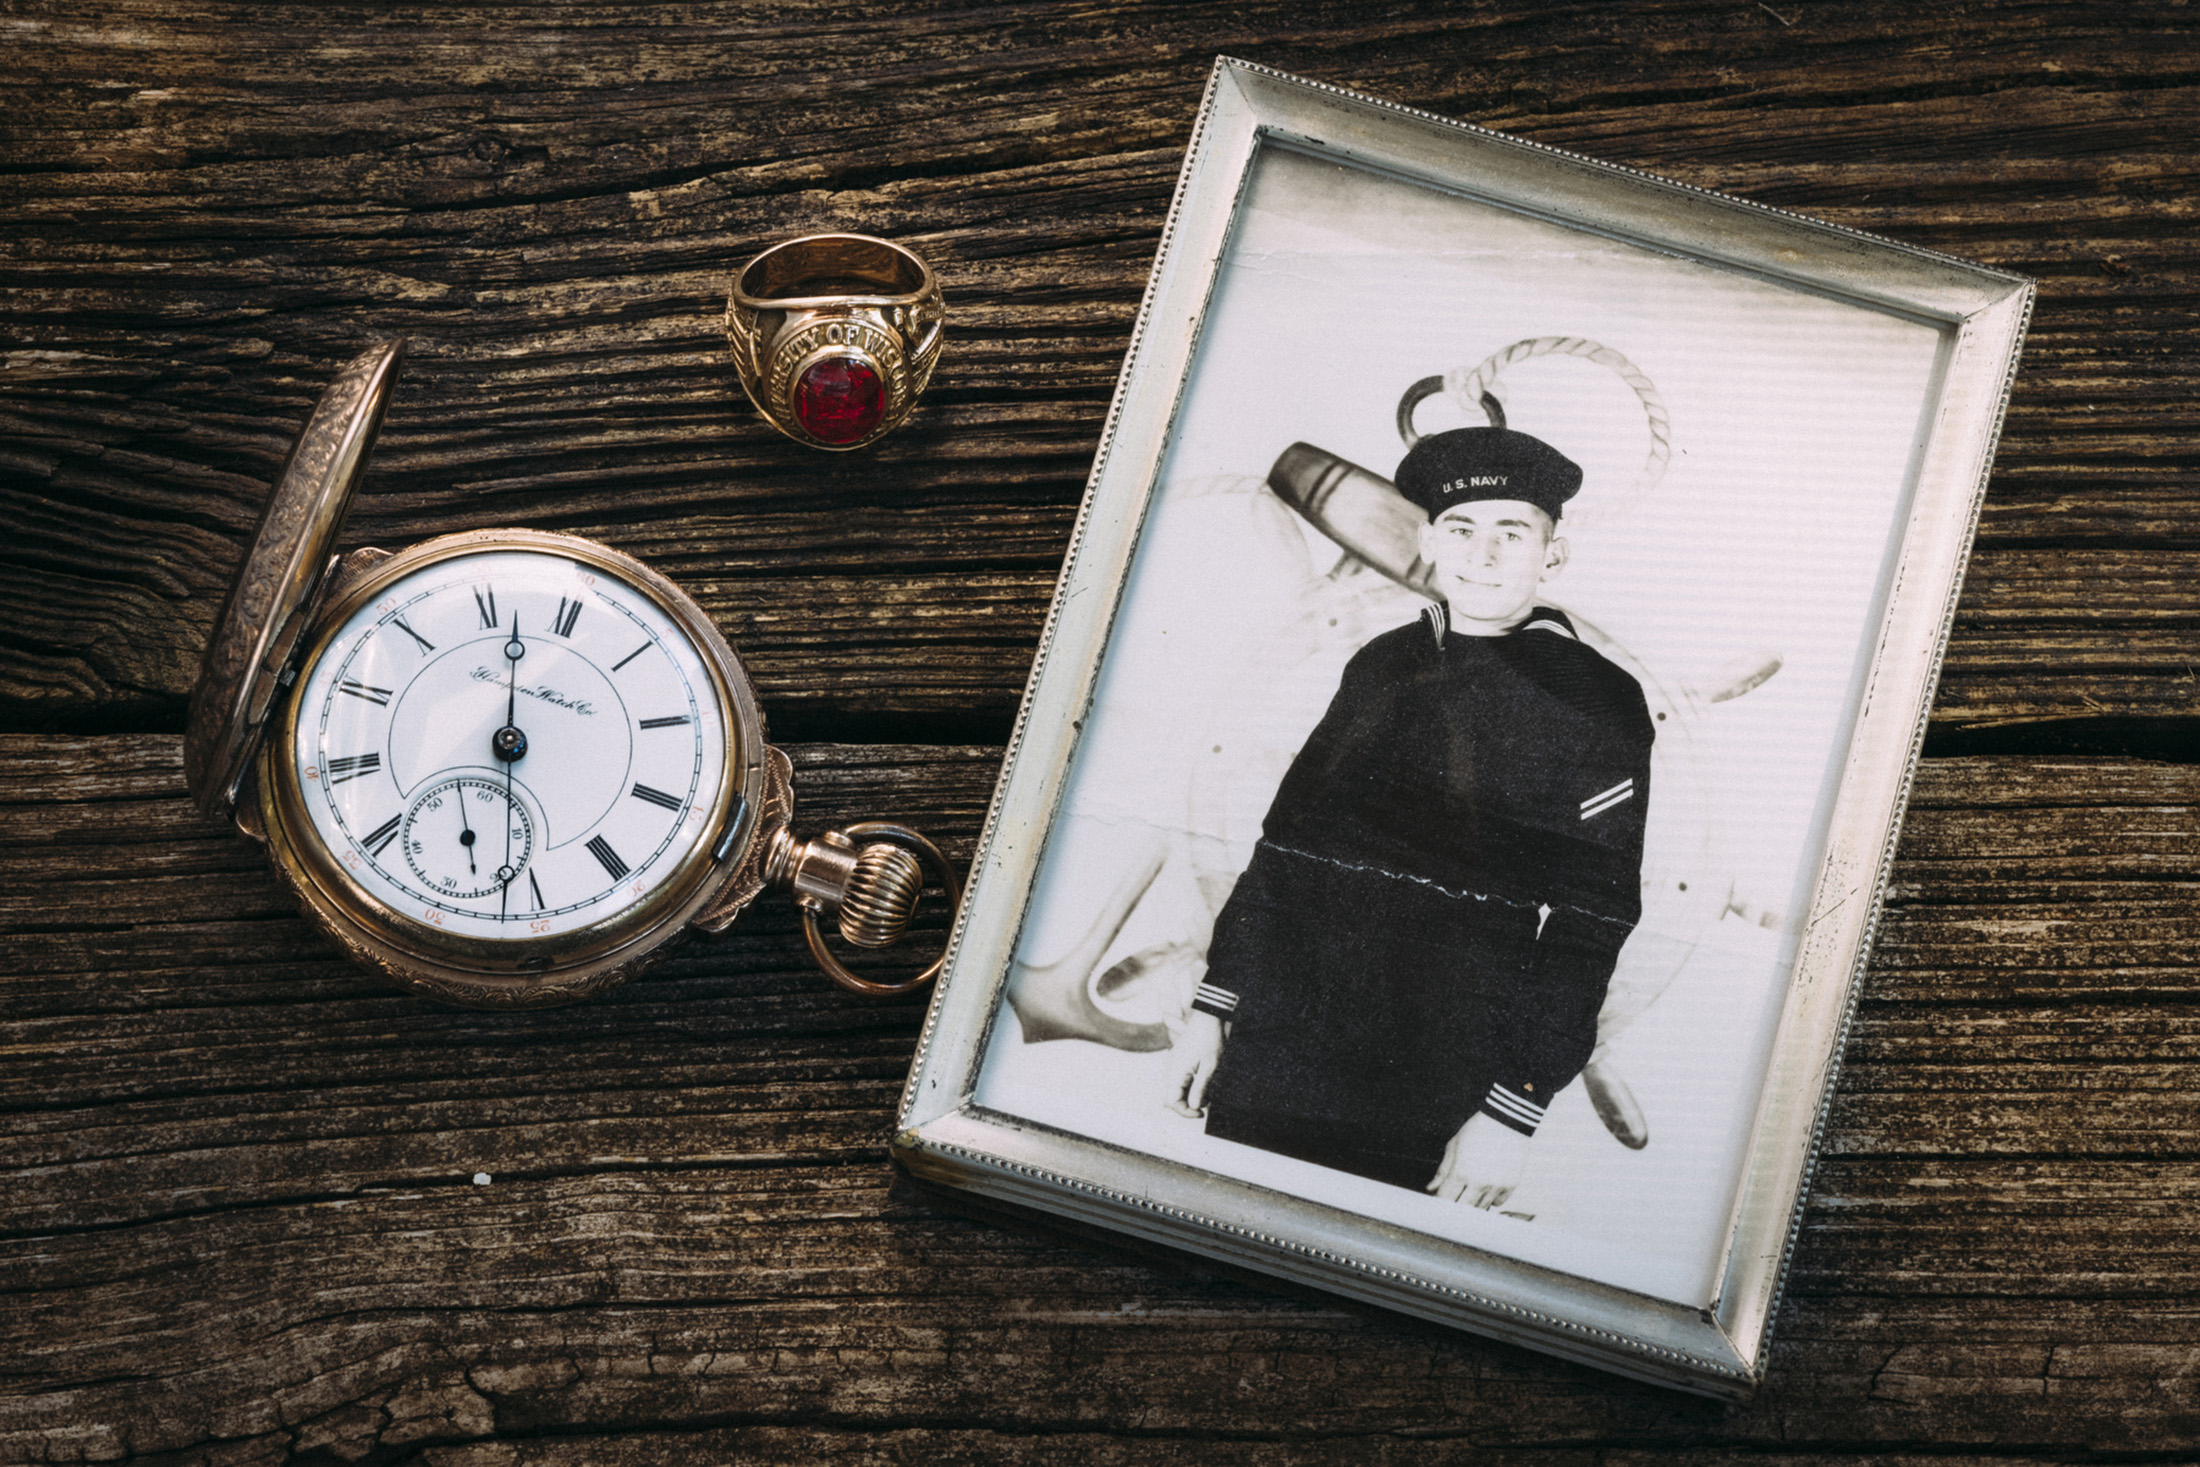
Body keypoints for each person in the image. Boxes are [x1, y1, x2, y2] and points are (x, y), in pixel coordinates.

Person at [1167, 424, 1654, 1211]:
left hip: (1437, 1065)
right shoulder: (1383, 661)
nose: (1484, 554)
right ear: (1430, 539)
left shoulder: (1595, 697)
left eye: (1511, 532)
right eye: (1461, 529)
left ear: (1552, 553)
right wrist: (1214, 1003)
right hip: (1284, 1038)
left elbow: (1592, 917)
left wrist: (1515, 1107)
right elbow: (1288, 843)